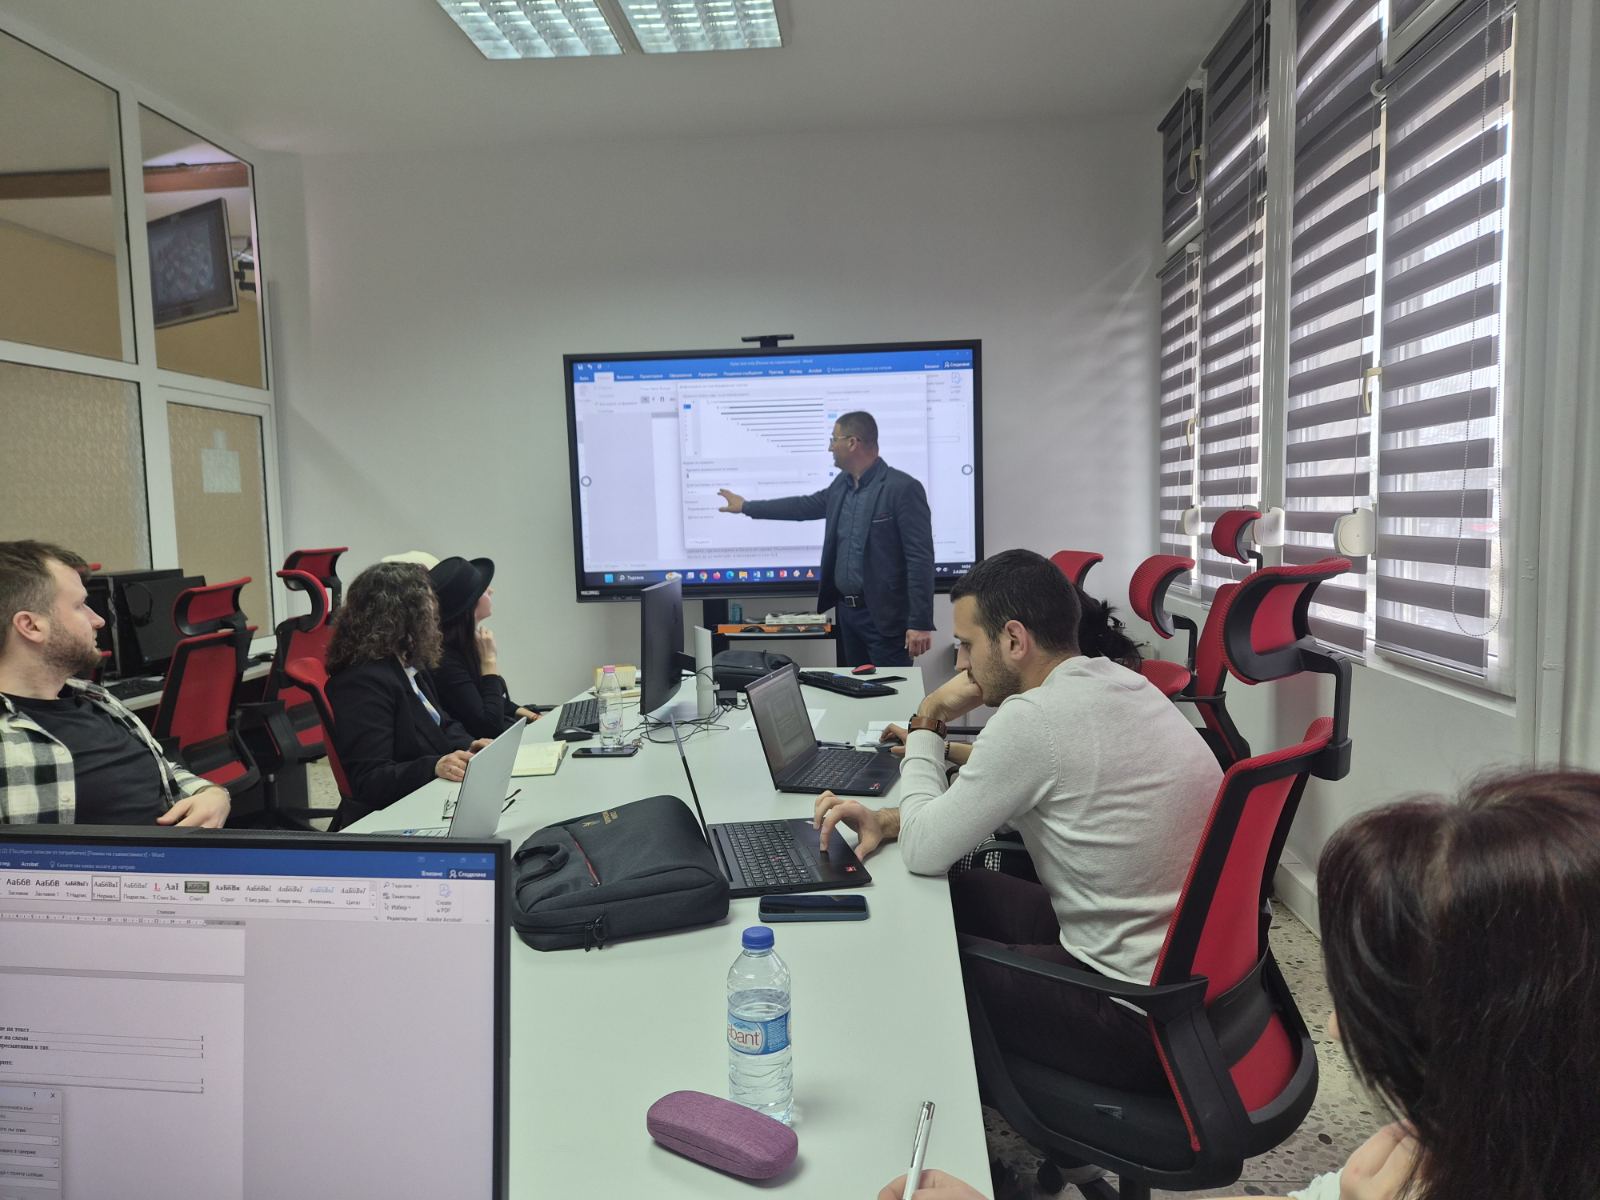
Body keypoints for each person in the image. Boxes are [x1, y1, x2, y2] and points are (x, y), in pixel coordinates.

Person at [875, 769, 1600, 1200]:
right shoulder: (1470, 1152)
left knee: (939, 969)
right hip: (1167, 999)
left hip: (1136, 1015)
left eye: (1376, 1003)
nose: (1338, 1027)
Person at [818, 548, 1220, 1091]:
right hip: (1180, 977)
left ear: (1013, 639)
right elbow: (1010, 801)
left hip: (1133, 1015)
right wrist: (893, 819)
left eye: (966, 645)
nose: (960, 665)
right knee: (965, 891)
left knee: (921, 956)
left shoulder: (1034, 718)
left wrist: (928, 718)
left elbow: (923, 851)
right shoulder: (1117, 680)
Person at [0, 540, 231, 827]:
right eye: (79, 606)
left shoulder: (96, 699)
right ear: (31, 626)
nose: (98, 620)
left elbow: (159, 773)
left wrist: (211, 793)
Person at [717, 410, 934, 667]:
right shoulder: (842, 485)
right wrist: (746, 506)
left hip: (886, 620)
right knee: (854, 689)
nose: (830, 447)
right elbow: (802, 507)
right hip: (848, 616)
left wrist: (920, 622)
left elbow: (920, 558)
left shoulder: (902, 488)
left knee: (892, 690)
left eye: (834, 439)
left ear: (852, 442)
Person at [324, 562, 488, 829]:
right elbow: (370, 779)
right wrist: (434, 766)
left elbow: (442, 724)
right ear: (403, 616)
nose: (435, 615)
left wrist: (471, 746)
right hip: (396, 815)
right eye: (428, 607)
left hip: (428, 797)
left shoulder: (405, 663)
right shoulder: (360, 682)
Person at [427, 555, 542, 738]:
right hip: (483, 746)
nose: (491, 590)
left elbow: (494, 700)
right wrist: (489, 662)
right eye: (483, 589)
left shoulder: (466, 643)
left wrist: (535, 718)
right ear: (468, 605)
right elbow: (489, 726)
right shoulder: (444, 660)